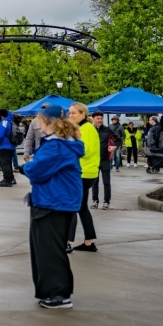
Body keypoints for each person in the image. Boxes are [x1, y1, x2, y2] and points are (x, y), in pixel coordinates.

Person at [22, 105, 84, 310]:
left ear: (45, 122)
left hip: (52, 202)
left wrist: (26, 168)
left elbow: (38, 170)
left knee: (49, 251)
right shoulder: (66, 143)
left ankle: (58, 294)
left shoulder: (55, 145)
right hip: (58, 201)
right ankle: (55, 292)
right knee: (51, 249)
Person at [67, 102, 99, 252]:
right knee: (81, 207)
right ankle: (89, 242)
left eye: (73, 113)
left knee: (71, 207)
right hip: (85, 173)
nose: (70, 115)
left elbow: (86, 151)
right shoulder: (83, 128)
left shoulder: (87, 129)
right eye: (69, 112)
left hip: (83, 173)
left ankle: (66, 242)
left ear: (83, 114)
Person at [90, 111, 119, 209]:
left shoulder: (107, 130)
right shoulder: (90, 130)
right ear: (93, 119)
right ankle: (94, 201)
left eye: (101, 118)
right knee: (94, 182)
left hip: (105, 159)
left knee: (106, 182)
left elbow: (118, 139)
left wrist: (114, 147)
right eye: (98, 118)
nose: (100, 120)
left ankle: (106, 202)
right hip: (93, 160)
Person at [0, 108, 17, 187]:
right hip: (10, 146)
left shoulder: (4, 122)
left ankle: (7, 180)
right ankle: (10, 178)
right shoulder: (10, 121)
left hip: (4, 146)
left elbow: (1, 134)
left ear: (1, 115)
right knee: (8, 163)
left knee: (4, 164)